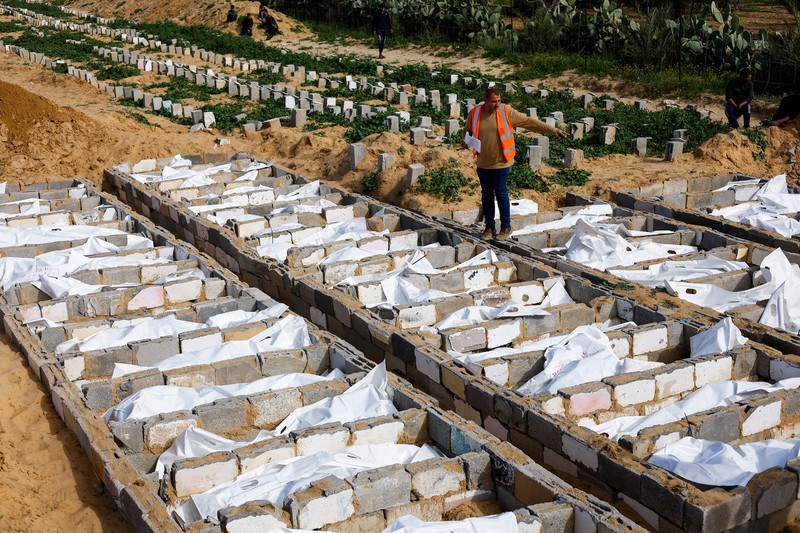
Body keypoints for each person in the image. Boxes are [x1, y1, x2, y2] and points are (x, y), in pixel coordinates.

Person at [462, 88, 568, 240]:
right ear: (485, 101)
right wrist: (465, 141)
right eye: (493, 102)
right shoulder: (475, 113)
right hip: (483, 163)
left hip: (502, 162)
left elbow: (529, 122)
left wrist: (552, 130)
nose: (497, 104)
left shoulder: (506, 112)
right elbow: (467, 131)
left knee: (500, 192)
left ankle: (506, 226)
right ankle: (489, 227)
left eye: (499, 101)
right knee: (486, 195)